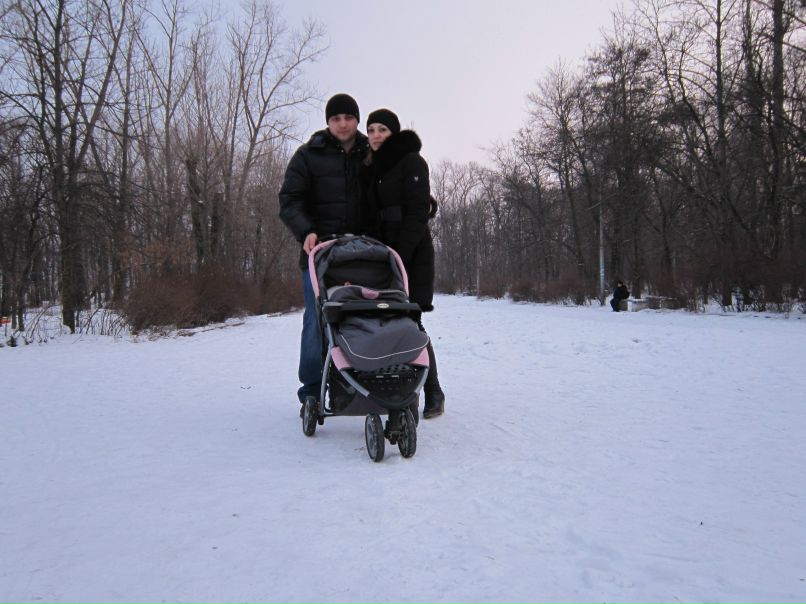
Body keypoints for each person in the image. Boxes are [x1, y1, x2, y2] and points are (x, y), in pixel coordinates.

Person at [278, 93, 369, 415]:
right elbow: (289, 200)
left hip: (365, 254)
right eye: (336, 118)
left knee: (369, 315)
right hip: (319, 254)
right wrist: (306, 231)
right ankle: (313, 391)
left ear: (357, 120)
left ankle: (365, 382)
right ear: (327, 122)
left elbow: (397, 185)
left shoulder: (372, 152)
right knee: (317, 321)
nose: (343, 124)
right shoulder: (308, 155)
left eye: (348, 117)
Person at [363, 108, 445, 419]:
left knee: (411, 323)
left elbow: (417, 211)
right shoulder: (372, 169)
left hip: (411, 254)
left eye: (382, 129)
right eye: (371, 130)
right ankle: (398, 390)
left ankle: (433, 390)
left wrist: (399, 255)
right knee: (384, 323)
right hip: (381, 256)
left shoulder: (412, 161)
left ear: (393, 133)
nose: (375, 135)